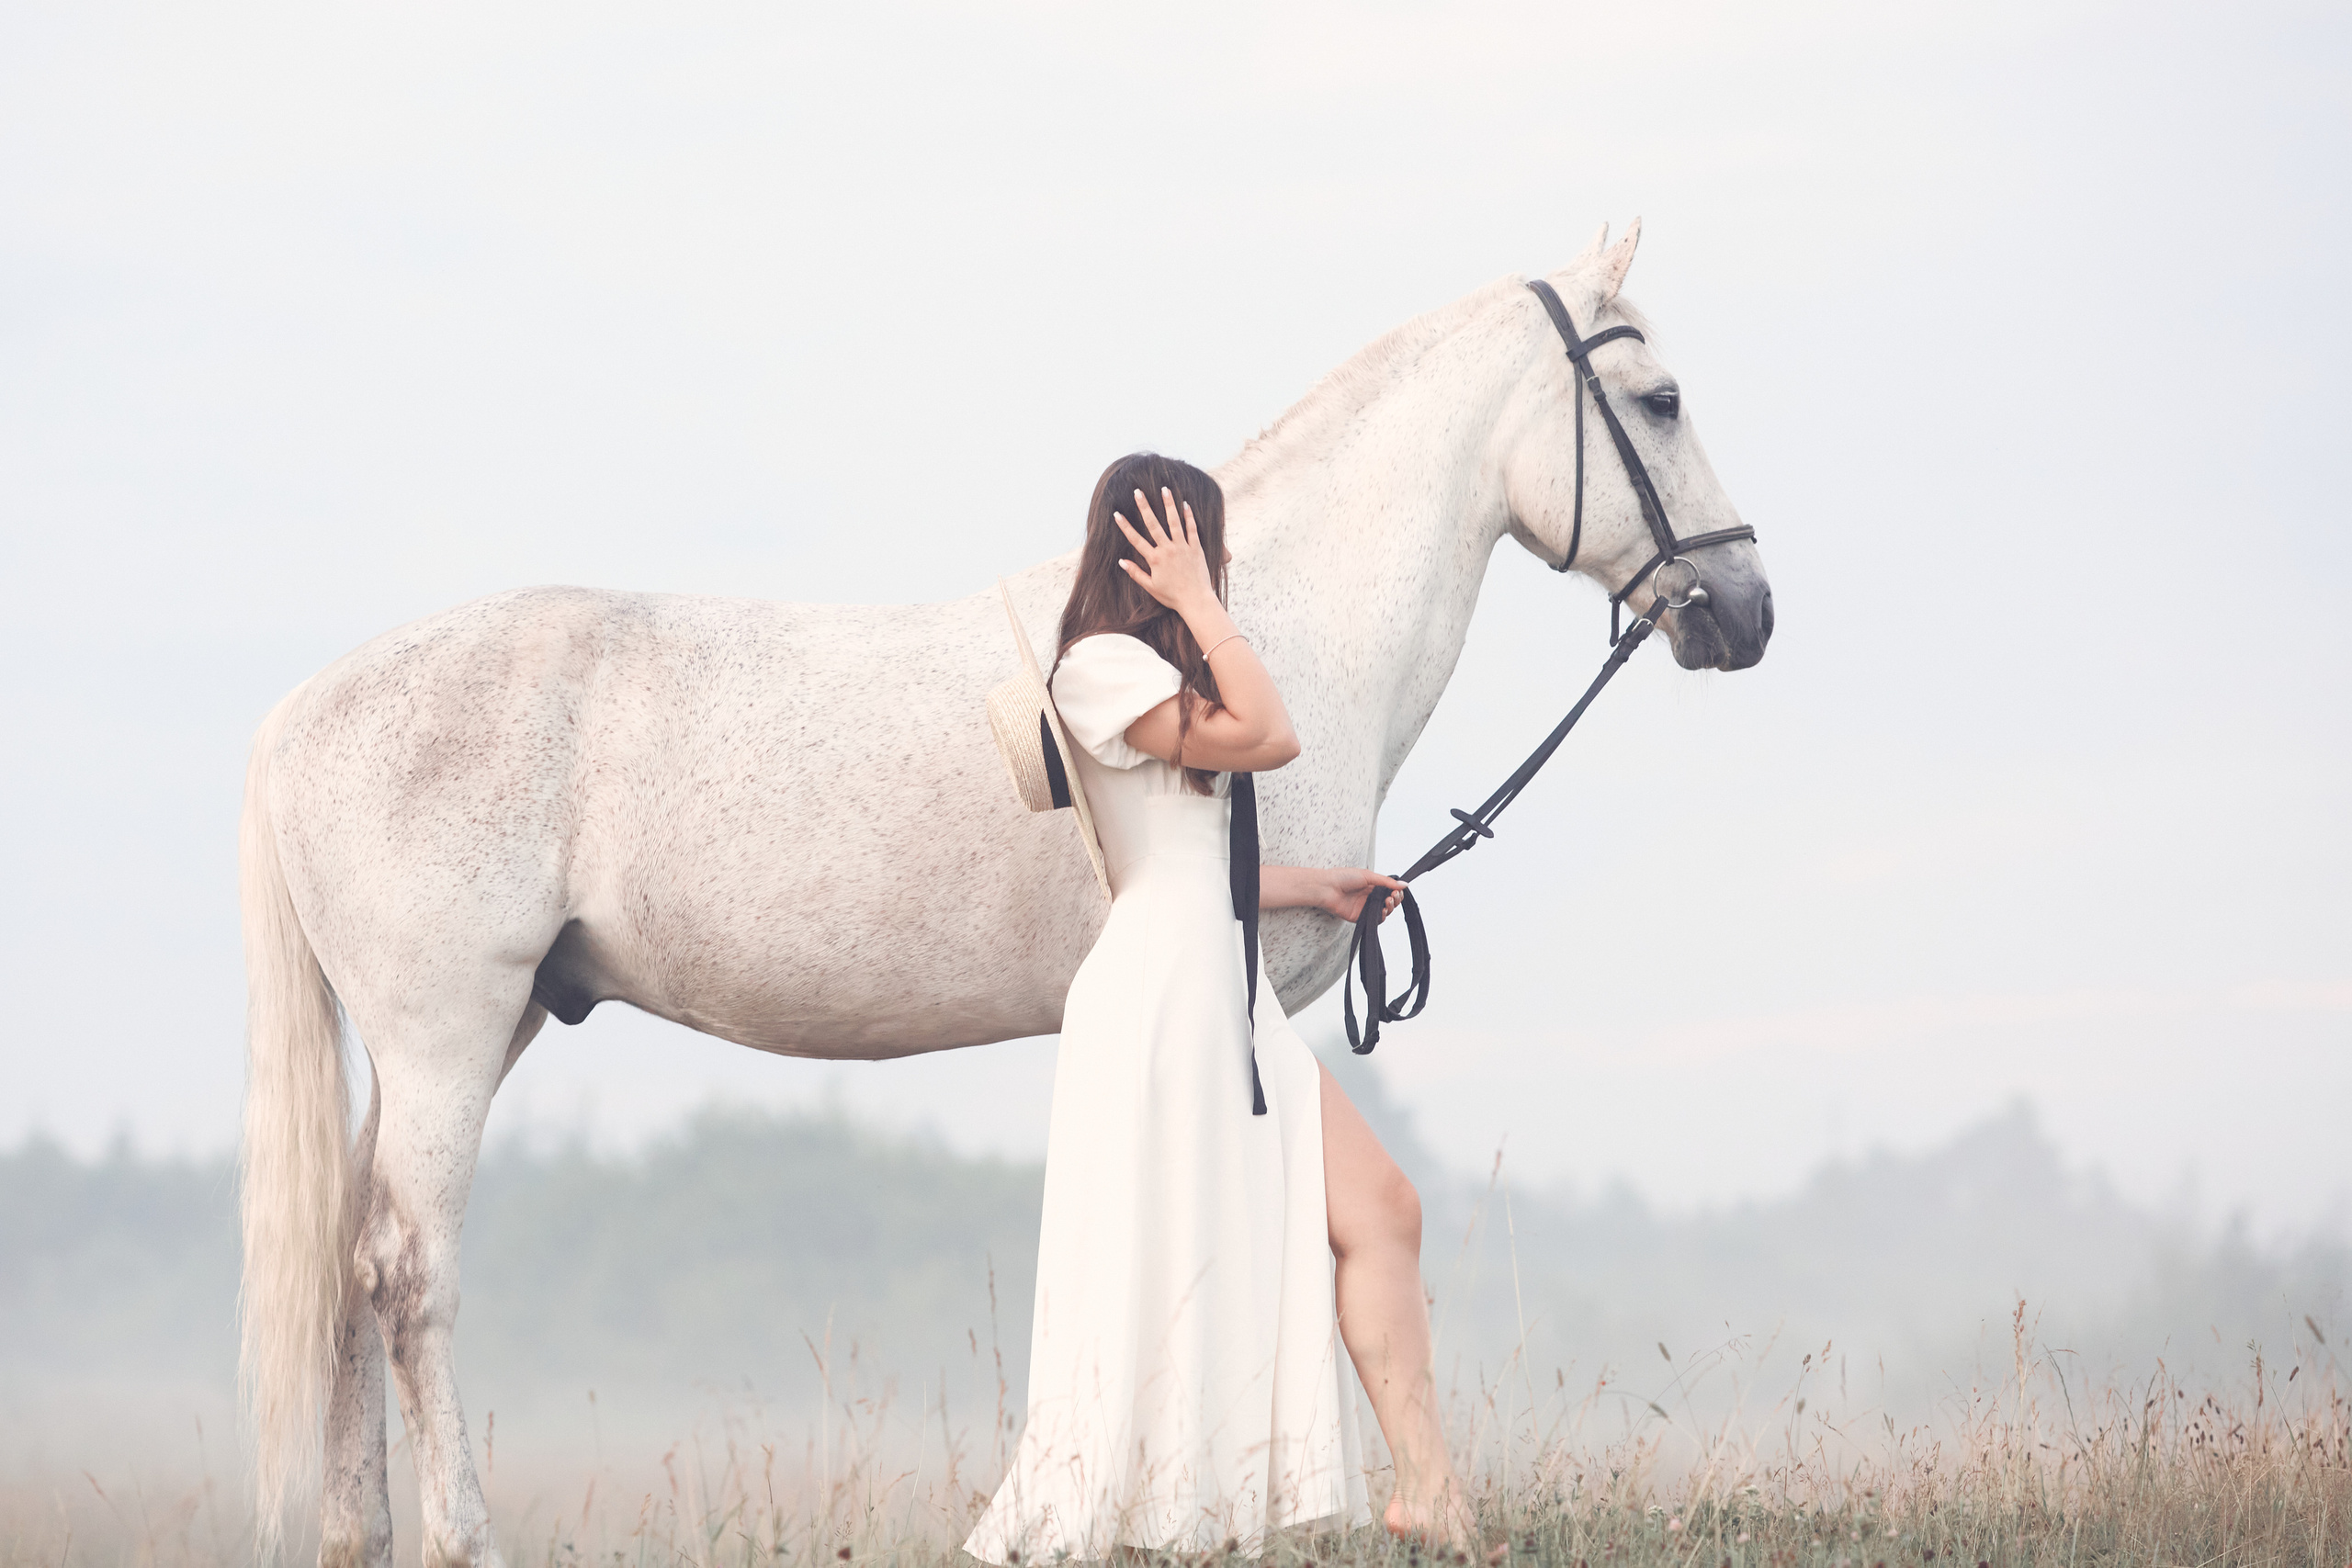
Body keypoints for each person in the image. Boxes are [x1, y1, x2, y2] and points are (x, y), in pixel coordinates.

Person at [965, 453, 1473, 1563]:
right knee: (1177, 1256)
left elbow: (1192, 855)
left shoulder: (1154, 678)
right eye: (1205, 546)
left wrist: (1314, 888)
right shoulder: (1095, 668)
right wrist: (1198, 602)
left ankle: (1430, 1491)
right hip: (1164, 996)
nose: (1222, 567)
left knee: (1382, 1207)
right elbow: (1269, 738)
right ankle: (1169, 1518)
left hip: (1217, 980)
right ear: (1159, 546)